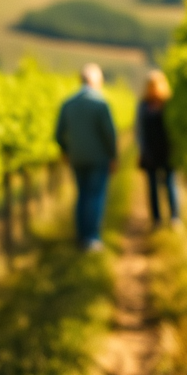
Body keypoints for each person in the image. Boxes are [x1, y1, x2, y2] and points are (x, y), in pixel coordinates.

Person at [55, 63, 118, 251]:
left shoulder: (68, 103)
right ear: (96, 81)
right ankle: (92, 238)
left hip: (76, 158)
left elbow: (58, 134)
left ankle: (81, 236)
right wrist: (113, 156)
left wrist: (66, 151)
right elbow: (109, 134)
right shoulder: (100, 103)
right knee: (96, 196)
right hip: (98, 158)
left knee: (82, 195)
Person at [136, 69, 179, 227]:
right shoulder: (143, 105)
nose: (153, 88)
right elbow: (139, 129)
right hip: (150, 150)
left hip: (167, 149)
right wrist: (141, 149)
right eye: (150, 85)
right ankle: (156, 219)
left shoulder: (168, 103)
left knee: (170, 184)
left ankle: (174, 217)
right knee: (152, 186)